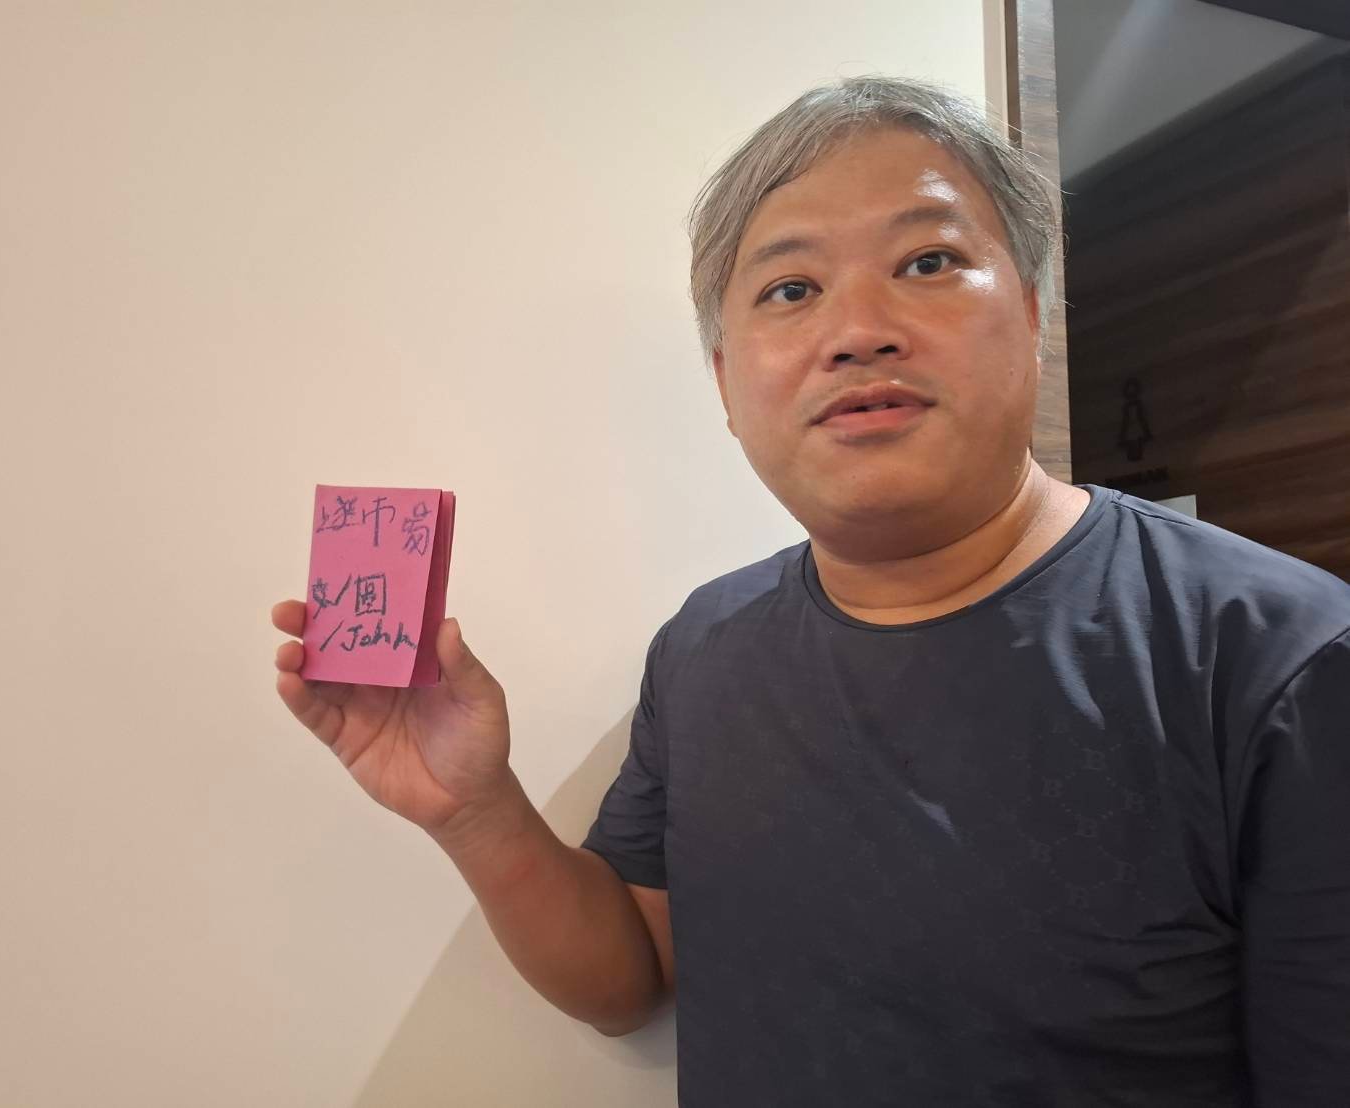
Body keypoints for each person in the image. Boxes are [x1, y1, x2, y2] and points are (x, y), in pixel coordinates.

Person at [270, 75, 1350, 1106]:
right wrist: (475, 810)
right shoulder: (703, 646)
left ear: (1030, 312)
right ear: (725, 382)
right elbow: (627, 978)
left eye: (927, 261)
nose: (858, 330)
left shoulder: (1281, 658)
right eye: (791, 289)